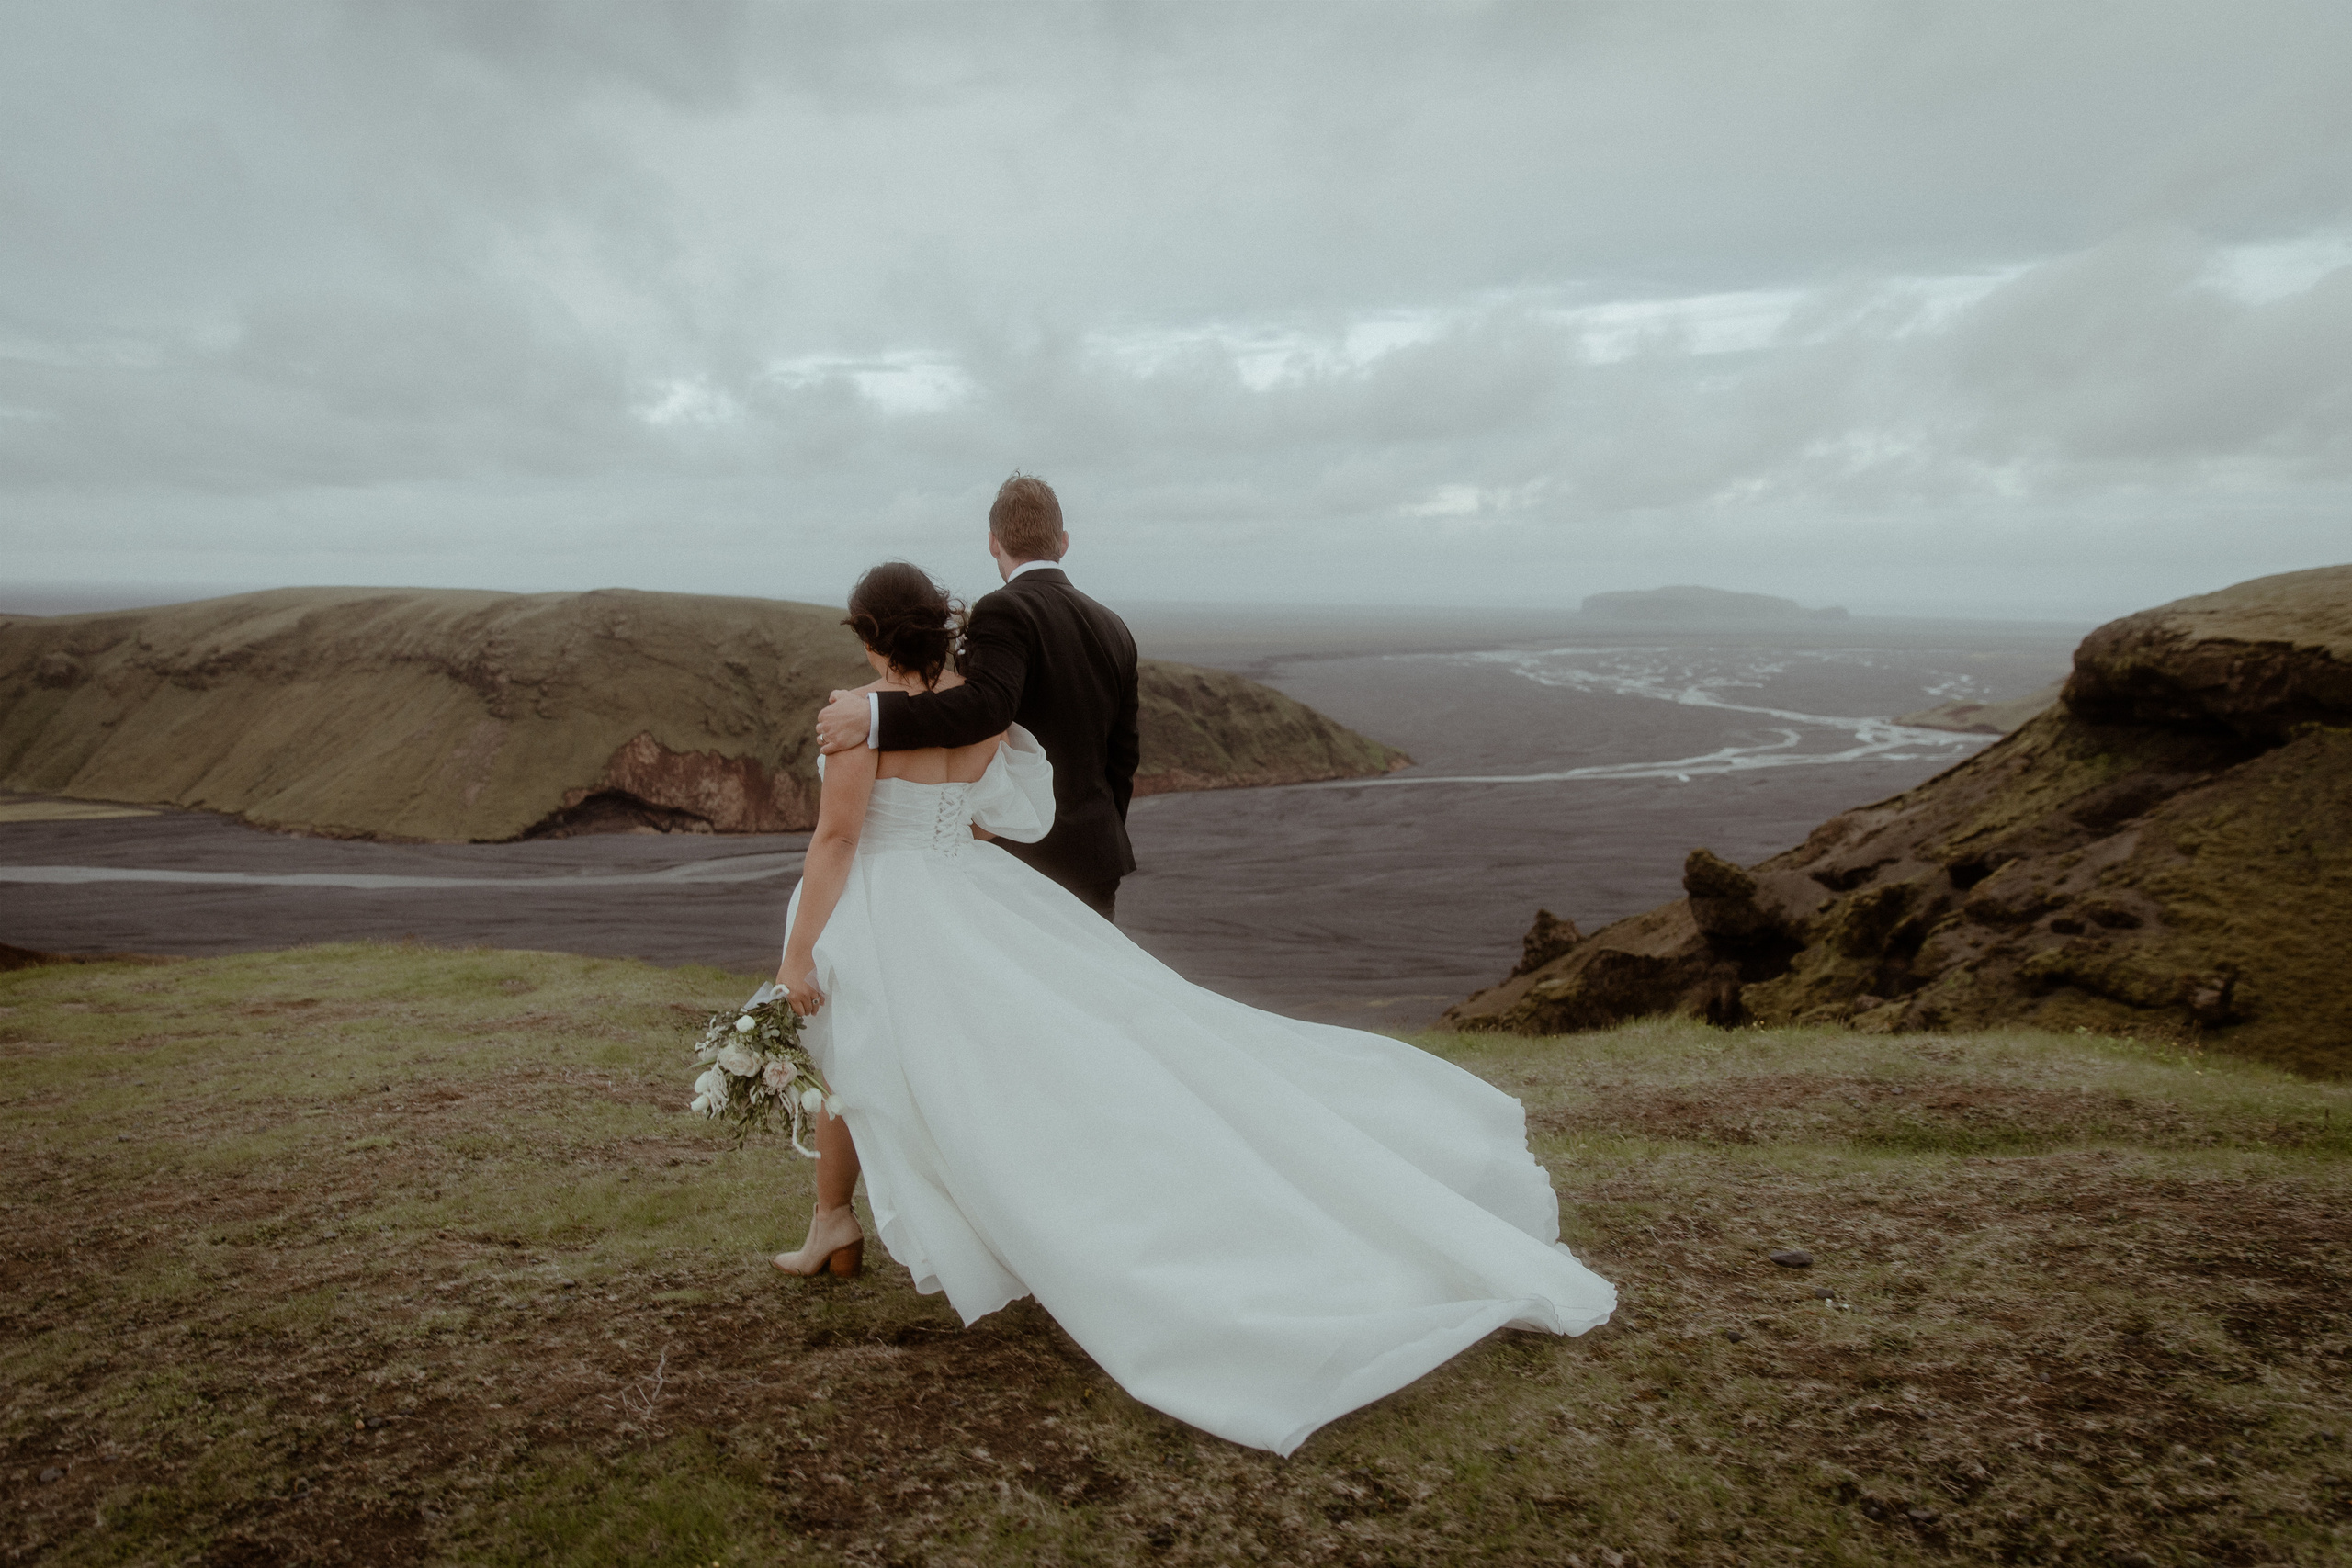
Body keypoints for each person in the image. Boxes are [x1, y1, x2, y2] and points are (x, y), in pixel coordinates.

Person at [769, 553, 1615, 1458]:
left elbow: (839, 838)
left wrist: (794, 956)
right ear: (936, 625)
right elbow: (984, 815)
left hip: (889, 900)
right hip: (968, 890)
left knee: (855, 1046)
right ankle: (835, 1222)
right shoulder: (976, 714)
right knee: (918, 1055)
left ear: (867, 632)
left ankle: (849, 1222)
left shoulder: (854, 719)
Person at [814, 473, 1137, 920]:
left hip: (1022, 856)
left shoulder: (1004, 610)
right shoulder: (1114, 626)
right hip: (1097, 856)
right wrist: (1098, 829)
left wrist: (873, 714)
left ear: (993, 542)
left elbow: (986, 708)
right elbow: (1123, 759)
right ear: (1063, 542)